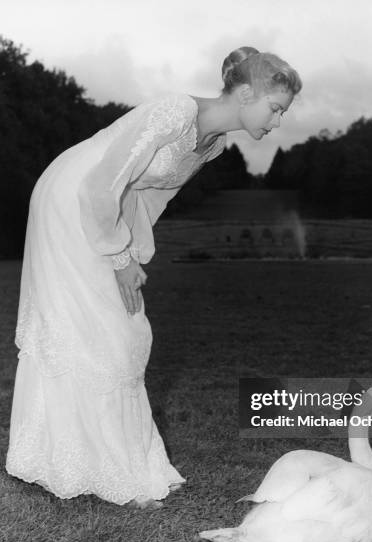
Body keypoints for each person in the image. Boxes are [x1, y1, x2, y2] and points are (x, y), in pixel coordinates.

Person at [6, 46, 302, 508]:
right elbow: (104, 181)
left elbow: (148, 195)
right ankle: (99, 468)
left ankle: (105, 462)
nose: (278, 121)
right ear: (245, 93)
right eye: (275, 108)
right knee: (101, 327)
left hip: (107, 209)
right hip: (74, 198)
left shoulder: (214, 144)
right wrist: (118, 256)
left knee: (122, 332)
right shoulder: (175, 111)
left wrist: (132, 250)